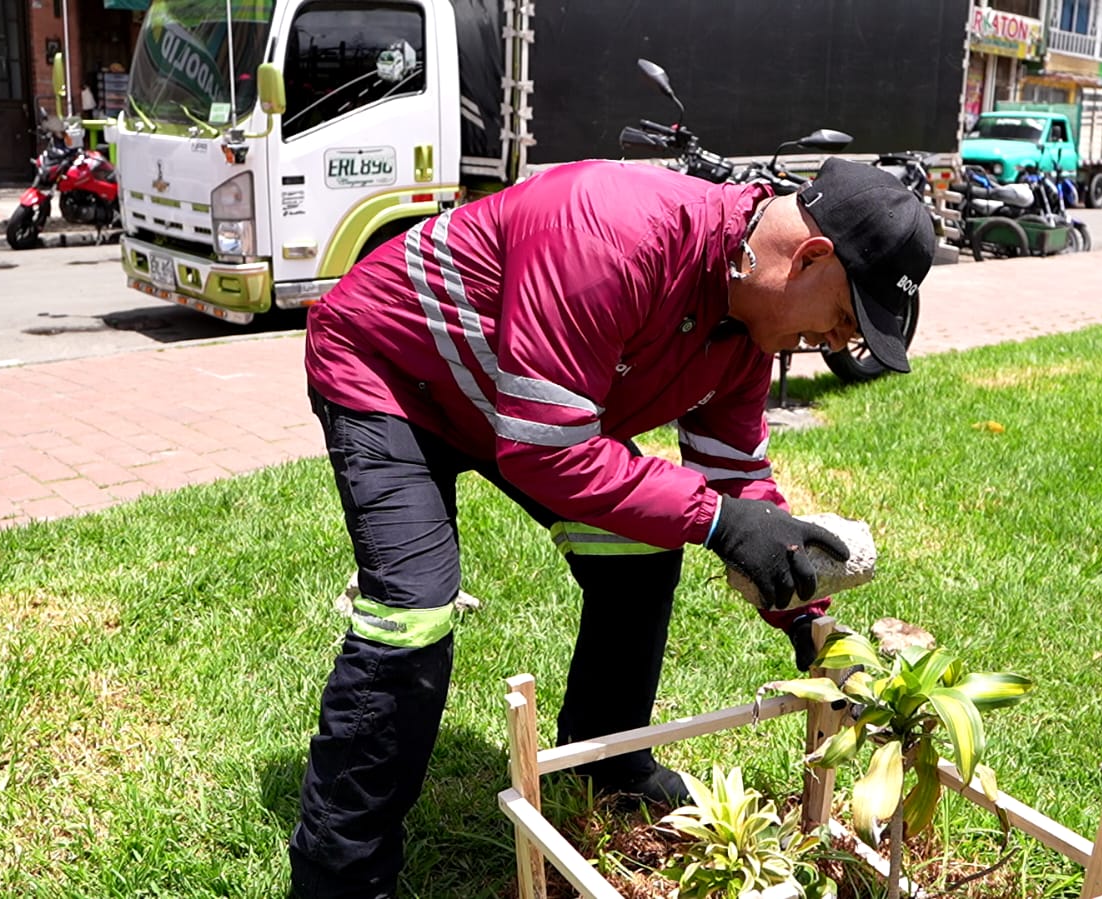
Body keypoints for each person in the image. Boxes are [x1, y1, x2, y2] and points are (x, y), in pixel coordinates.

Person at [291, 157, 936, 898]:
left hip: (518, 405)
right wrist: (717, 520)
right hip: (391, 370)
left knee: (642, 543)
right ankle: (339, 874)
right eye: (844, 319)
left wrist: (804, 616)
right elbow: (547, 451)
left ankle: (607, 762)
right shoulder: (613, 232)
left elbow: (738, 484)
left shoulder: (743, 332)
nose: (832, 343)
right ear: (810, 258)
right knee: (413, 611)